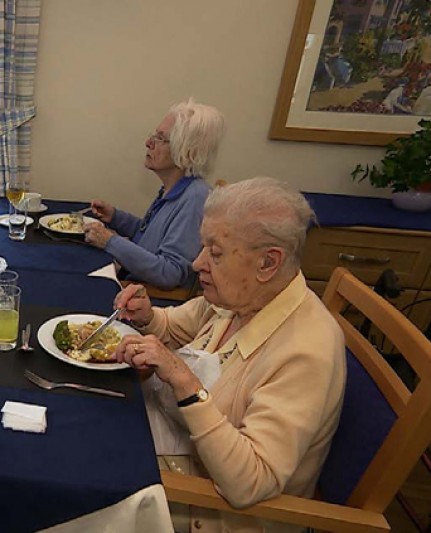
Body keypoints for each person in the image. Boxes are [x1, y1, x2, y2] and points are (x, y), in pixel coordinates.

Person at [113, 177, 346, 532]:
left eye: (215, 252)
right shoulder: (241, 296)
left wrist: (183, 381)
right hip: (181, 451)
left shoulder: (306, 351)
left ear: (268, 263)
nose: (197, 263)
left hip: (216, 512)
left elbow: (250, 483)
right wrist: (148, 316)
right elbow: (175, 325)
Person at [84, 99, 224, 290]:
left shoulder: (196, 199)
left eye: (160, 138)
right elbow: (149, 239)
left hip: (149, 303)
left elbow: (170, 273)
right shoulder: (175, 188)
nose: (148, 143)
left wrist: (110, 241)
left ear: (186, 150)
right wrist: (116, 217)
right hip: (134, 287)